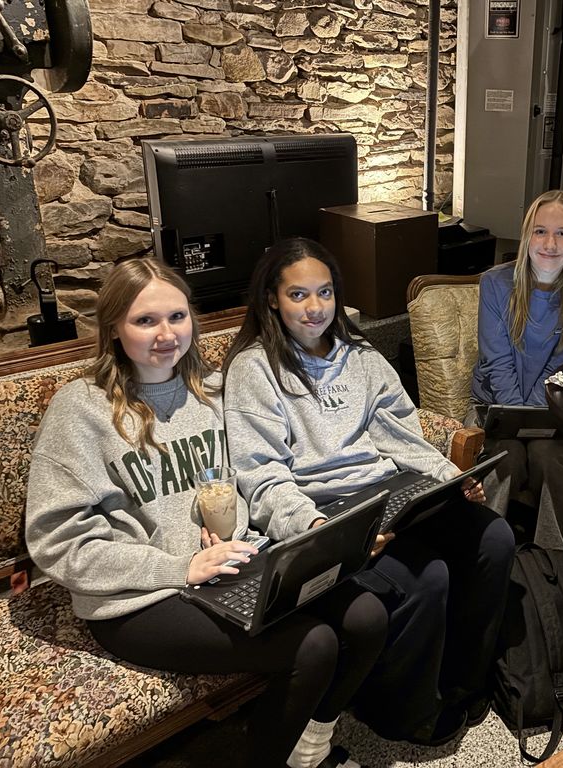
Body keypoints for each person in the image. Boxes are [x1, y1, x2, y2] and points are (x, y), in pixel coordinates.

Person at [25, 258, 387, 768]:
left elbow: (259, 477)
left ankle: (309, 748)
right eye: (145, 320)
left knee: (367, 616)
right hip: (138, 598)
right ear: (113, 329)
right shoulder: (81, 410)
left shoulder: (214, 390)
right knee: (313, 644)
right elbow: (56, 542)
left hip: (230, 568)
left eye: (177, 317)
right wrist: (177, 567)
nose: (166, 334)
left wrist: (308, 526)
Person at [222, 238, 515, 747]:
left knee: (493, 538)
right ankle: (403, 712)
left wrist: (449, 477)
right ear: (272, 299)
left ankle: (464, 681)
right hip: (325, 511)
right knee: (428, 578)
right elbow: (261, 475)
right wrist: (317, 530)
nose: (315, 308)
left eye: (325, 292)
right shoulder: (255, 369)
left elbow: (401, 432)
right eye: (298, 295)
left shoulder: (359, 354)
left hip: (390, 491)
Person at [469, 189, 563, 550]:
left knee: (551, 460)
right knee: (505, 458)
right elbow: (497, 361)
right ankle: (483, 556)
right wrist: (518, 419)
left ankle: (556, 561)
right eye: (540, 231)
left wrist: (533, 421)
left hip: (550, 405)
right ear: (527, 235)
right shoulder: (495, 283)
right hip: (495, 404)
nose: (550, 243)